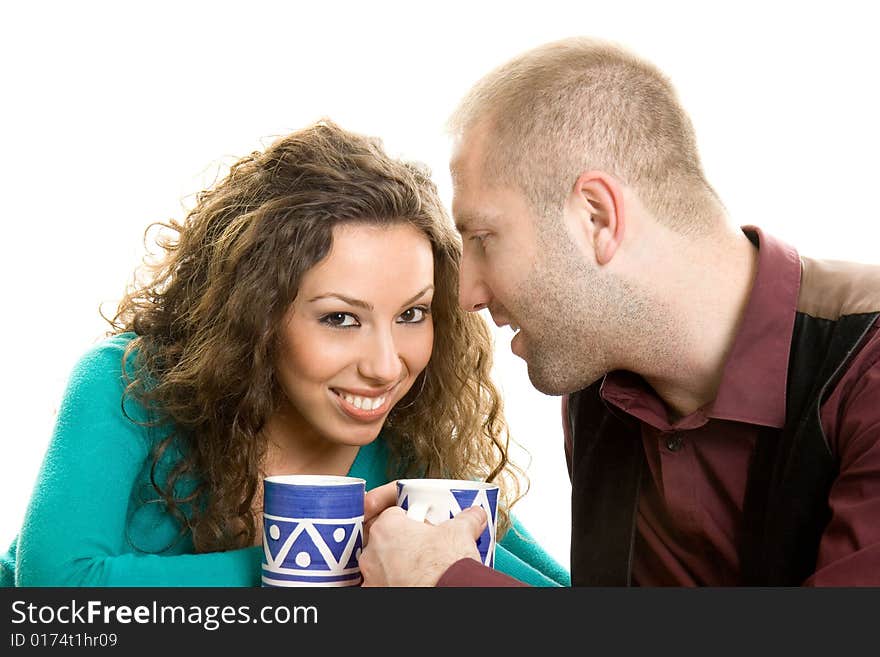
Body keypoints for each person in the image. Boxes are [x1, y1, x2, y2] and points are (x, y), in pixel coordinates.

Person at [359, 37, 880, 587]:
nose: (465, 295)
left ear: (596, 217)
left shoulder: (866, 366)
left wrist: (446, 586)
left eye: (484, 237)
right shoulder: (598, 389)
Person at [0, 120, 569, 587]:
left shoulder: (413, 463)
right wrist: (337, 559)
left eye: (412, 314)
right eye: (340, 318)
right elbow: (55, 590)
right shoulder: (127, 384)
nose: (387, 365)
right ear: (257, 316)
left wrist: (449, 572)